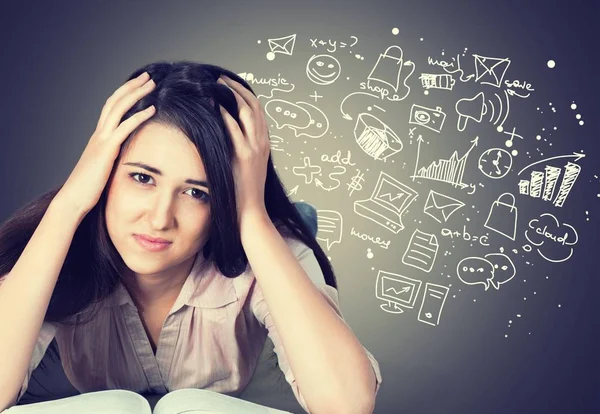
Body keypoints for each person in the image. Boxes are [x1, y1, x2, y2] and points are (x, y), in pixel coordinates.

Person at [0, 61, 382, 413]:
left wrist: (251, 217)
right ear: (105, 172)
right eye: (142, 177)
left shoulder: (268, 247)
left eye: (197, 192)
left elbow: (346, 405)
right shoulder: (58, 243)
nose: (160, 218)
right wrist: (69, 204)